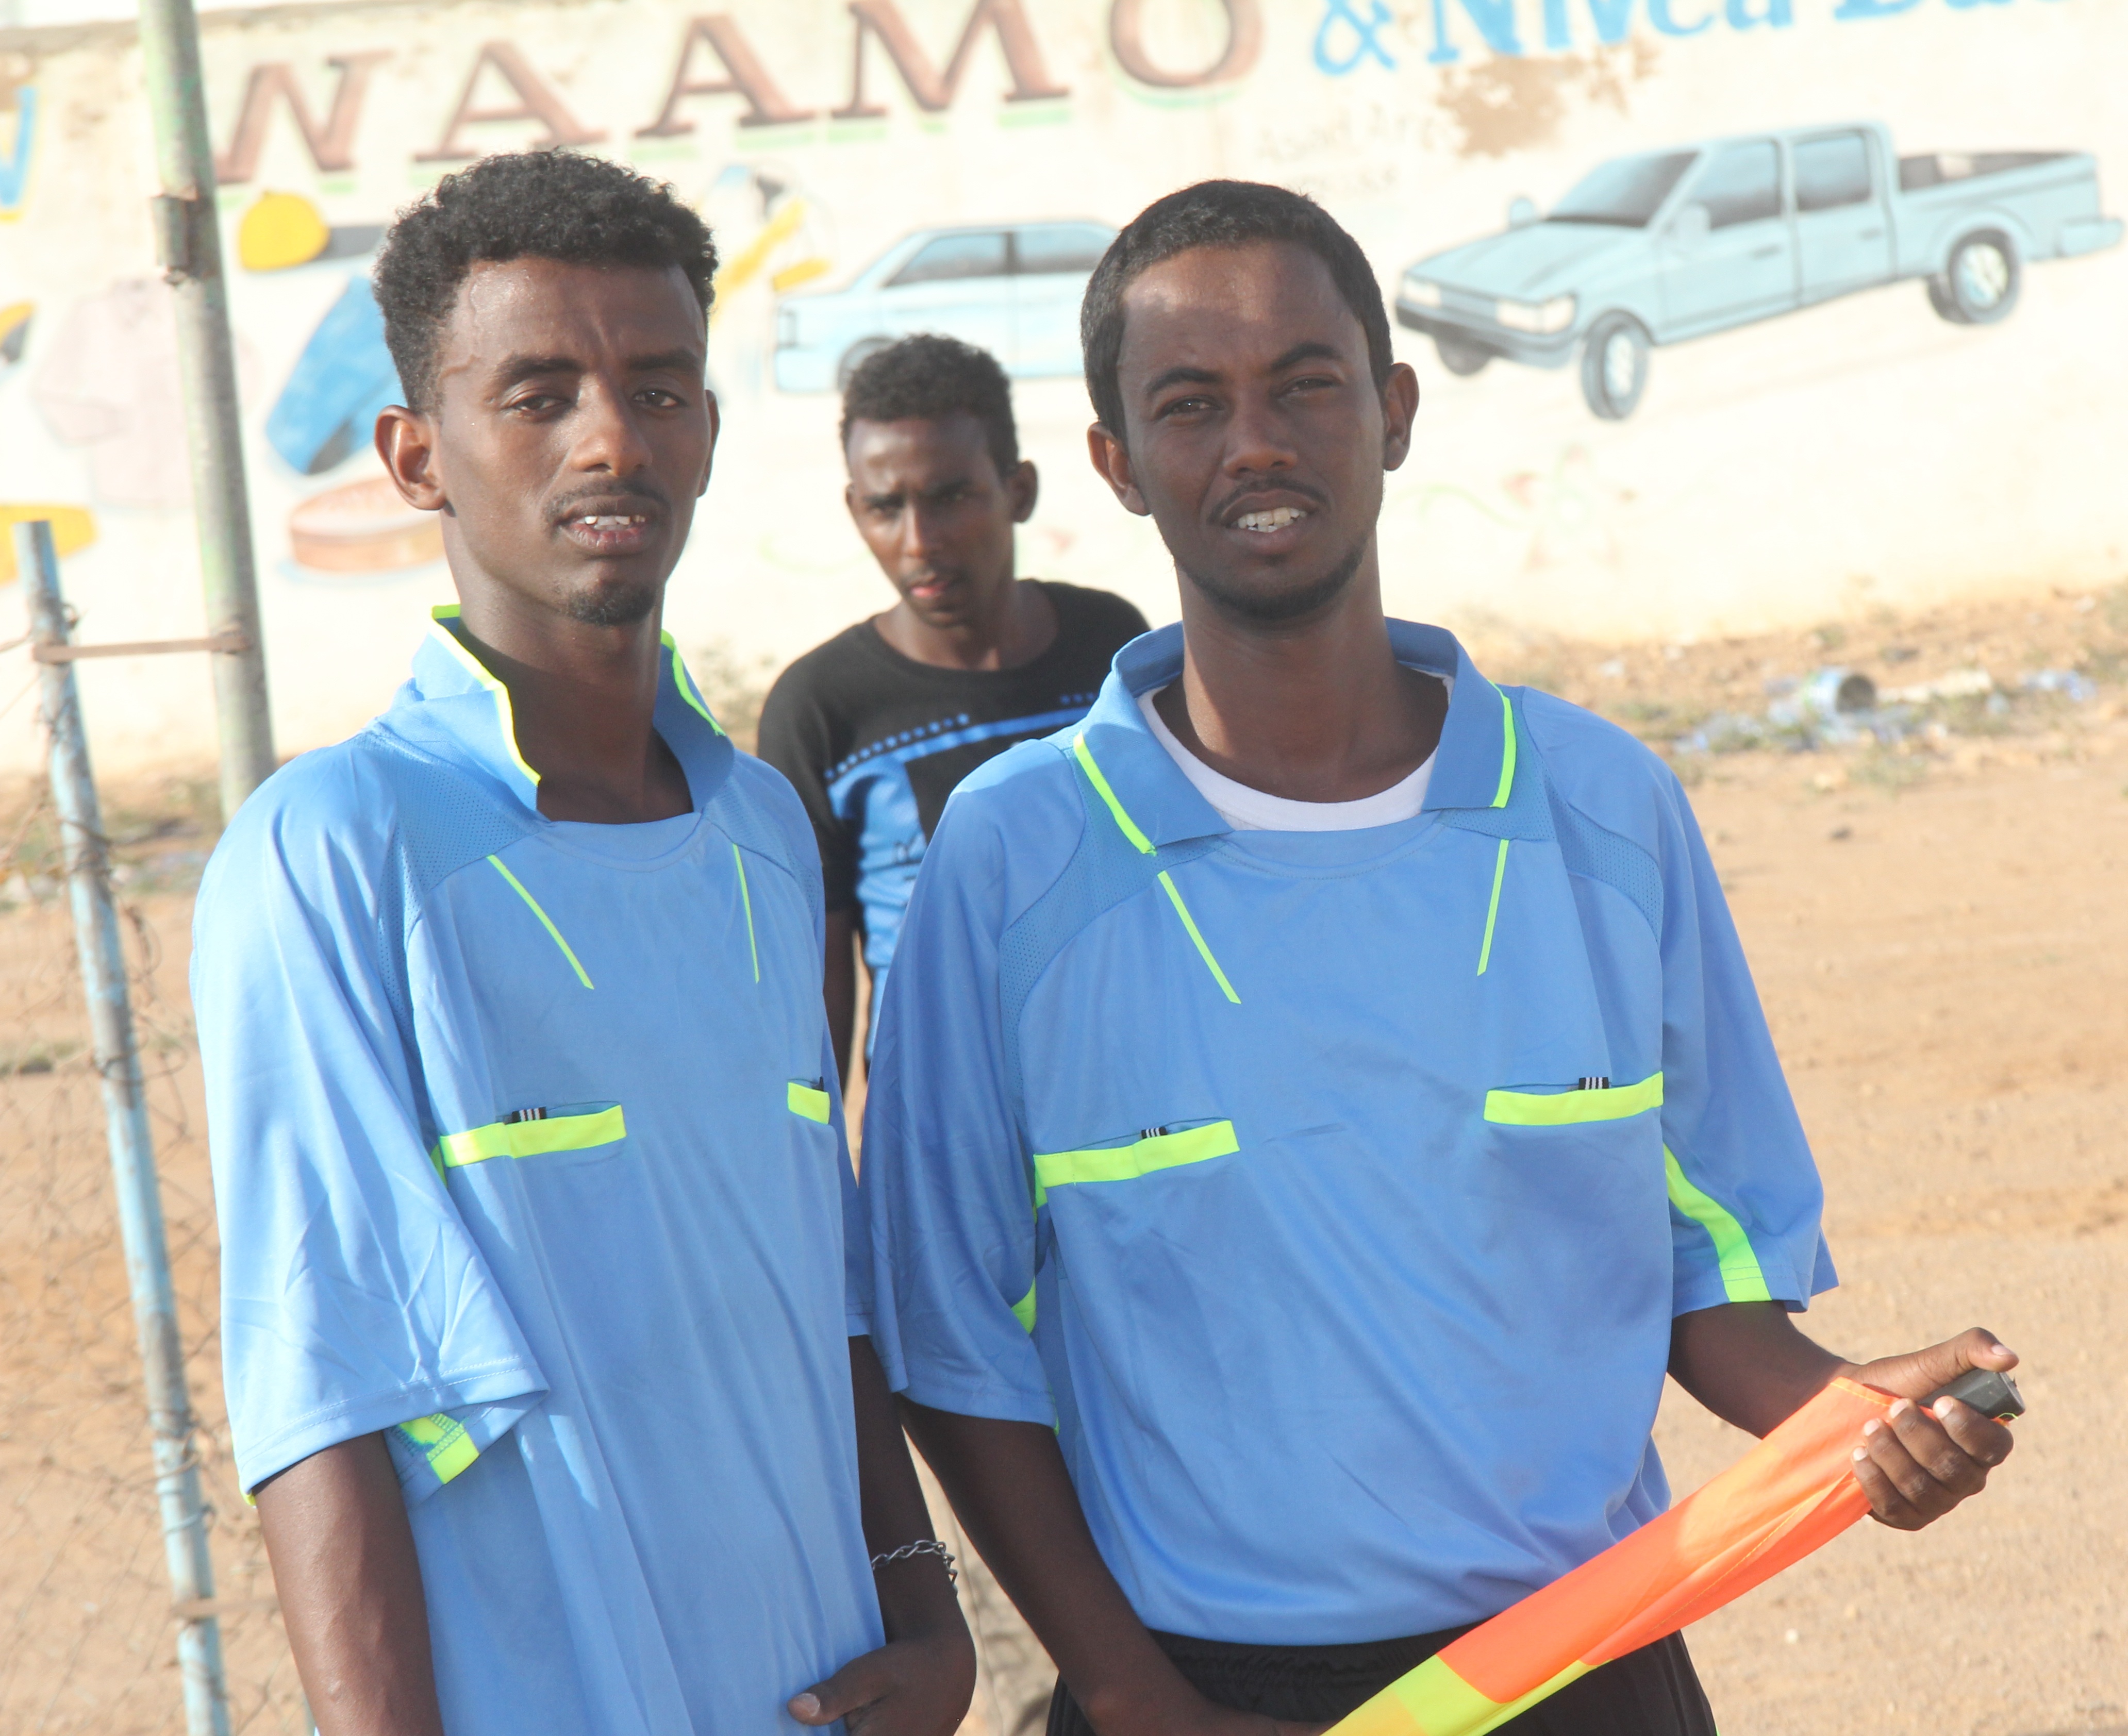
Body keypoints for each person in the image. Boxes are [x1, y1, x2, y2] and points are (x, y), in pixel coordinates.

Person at [857, 181, 2019, 1736]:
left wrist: (1851, 1418)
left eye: (1306, 385)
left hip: (1586, 1665)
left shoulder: (1603, 811)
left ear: (1395, 412)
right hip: (1198, 1690)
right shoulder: (1014, 856)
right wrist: (1130, 1696)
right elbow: (948, 1333)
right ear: (1117, 463)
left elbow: (1703, 1280)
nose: (1256, 443)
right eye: (1191, 404)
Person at [191, 150, 972, 1736]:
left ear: (708, 429)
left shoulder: (762, 833)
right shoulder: (334, 850)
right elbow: (328, 1394)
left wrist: (923, 1604)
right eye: (538, 395)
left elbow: (816, 1280)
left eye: (658, 388)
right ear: (417, 455)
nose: (613, 439)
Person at [757, 333, 1148, 1082]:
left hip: (1123, 1098)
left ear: (1019, 491)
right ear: (854, 510)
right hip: (935, 1121)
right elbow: (815, 988)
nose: (919, 542)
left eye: (950, 498)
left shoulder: (1108, 648)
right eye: (885, 507)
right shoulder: (821, 707)